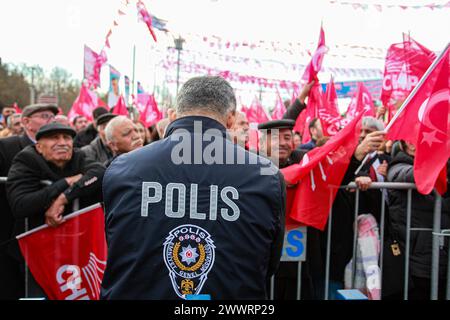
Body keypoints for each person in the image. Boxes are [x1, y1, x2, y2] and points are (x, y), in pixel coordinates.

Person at [101, 76, 285, 300]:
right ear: (231, 120)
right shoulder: (265, 175)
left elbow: (116, 242)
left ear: (172, 116)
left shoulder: (123, 168)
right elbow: (269, 263)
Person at [6, 122, 105, 297]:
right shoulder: (26, 159)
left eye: (67, 138)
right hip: (37, 251)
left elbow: (99, 172)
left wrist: (63, 198)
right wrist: (64, 183)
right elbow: (20, 204)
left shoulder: (78, 155)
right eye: (54, 138)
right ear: (39, 146)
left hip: (74, 250)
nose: (62, 142)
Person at [0, 103, 58, 299]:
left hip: (50, 231)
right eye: (44, 116)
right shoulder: (7, 146)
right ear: (25, 122)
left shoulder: (61, 147)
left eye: (52, 117)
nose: (50, 121)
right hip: (11, 230)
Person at [386, 141, 449, 300]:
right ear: (402, 145)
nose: (415, 144)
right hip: (414, 261)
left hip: (441, 254)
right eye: (411, 140)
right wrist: (439, 160)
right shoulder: (398, 166)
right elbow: (414, 175)